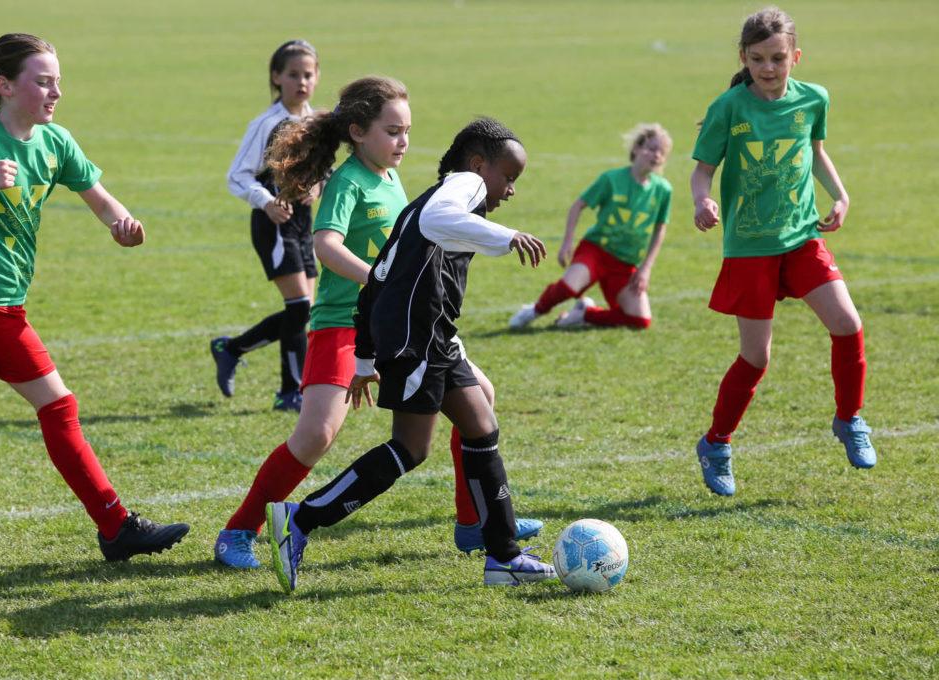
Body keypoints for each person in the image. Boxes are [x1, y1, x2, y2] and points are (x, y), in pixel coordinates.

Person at [212, 81, 540, 569]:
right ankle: (239, 531)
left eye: (407, 131)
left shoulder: (390, 180)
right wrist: (380, 281)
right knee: (316, 436)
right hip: (343, 322)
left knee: (478, 400)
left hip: (398, 324)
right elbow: (325, 245)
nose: (403, 142)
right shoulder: (348, 181)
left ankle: (474, 523)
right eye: (392, 131)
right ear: (358, 132)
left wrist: (403, 294)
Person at [0, 34, 189, 560]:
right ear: (5, 86)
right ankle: (116, 526)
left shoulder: (54, 141)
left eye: (57, 82)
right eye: (43, 82)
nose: (55, 92)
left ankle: (115, 528)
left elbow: (101, 198)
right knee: (59, 406)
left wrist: (121, 225)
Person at [690, 8, 876, 496]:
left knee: (848, 324)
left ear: (795, 56)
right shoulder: (728, 107)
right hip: (750, 246)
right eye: (757, 60)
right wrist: (701, 198)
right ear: (744, 59)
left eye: (777, 58)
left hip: (801, 236)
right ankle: (716, 443)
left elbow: (815, 151)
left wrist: (840, 194)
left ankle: (849, 418)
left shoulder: (814, 99)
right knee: (756, 356)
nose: (768, 69)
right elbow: (702, 169)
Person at [210, 39, 320, 410]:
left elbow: (323, 170)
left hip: (304, 225)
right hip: (274, 224)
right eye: (293, 74)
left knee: (303, 313)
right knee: (301, 307)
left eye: (308, 74)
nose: (301, 82)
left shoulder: (315, 122)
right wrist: (267, 201)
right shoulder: (268, 124)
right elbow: (237, 176)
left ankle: (284, 386)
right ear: (276, 77)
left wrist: (317, 184)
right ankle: (280, 383)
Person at [509, 124, 673, 330]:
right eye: (651, 148)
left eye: (661, 151)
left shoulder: (663, 190)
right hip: (596, 250)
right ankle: (534, 311)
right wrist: (567, 242)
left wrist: (645, 268)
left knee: (640, 321)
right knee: (570, 286)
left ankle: (585, 313)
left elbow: (660, 228)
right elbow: (578, 206)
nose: (656, 155)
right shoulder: (611, 179)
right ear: (636, 149)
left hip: (625, 263)